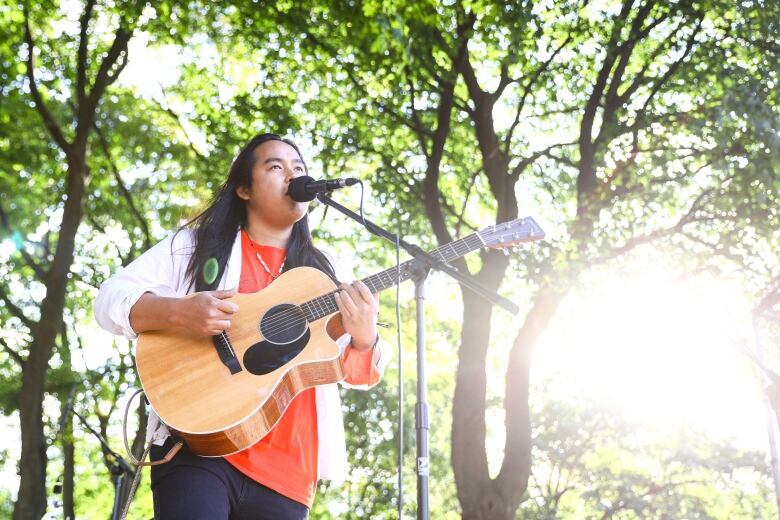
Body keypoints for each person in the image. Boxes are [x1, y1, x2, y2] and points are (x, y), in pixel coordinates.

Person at [94, 133, 388, 519]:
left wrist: (366, 337)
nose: (293, 174)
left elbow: (355, 373)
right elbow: (110, 298)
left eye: (299, 168)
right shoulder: (197, 246)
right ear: (244, 189)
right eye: (276, 166)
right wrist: (180, 313)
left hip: (289, 471)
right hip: (199, 444)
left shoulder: (328, 272)